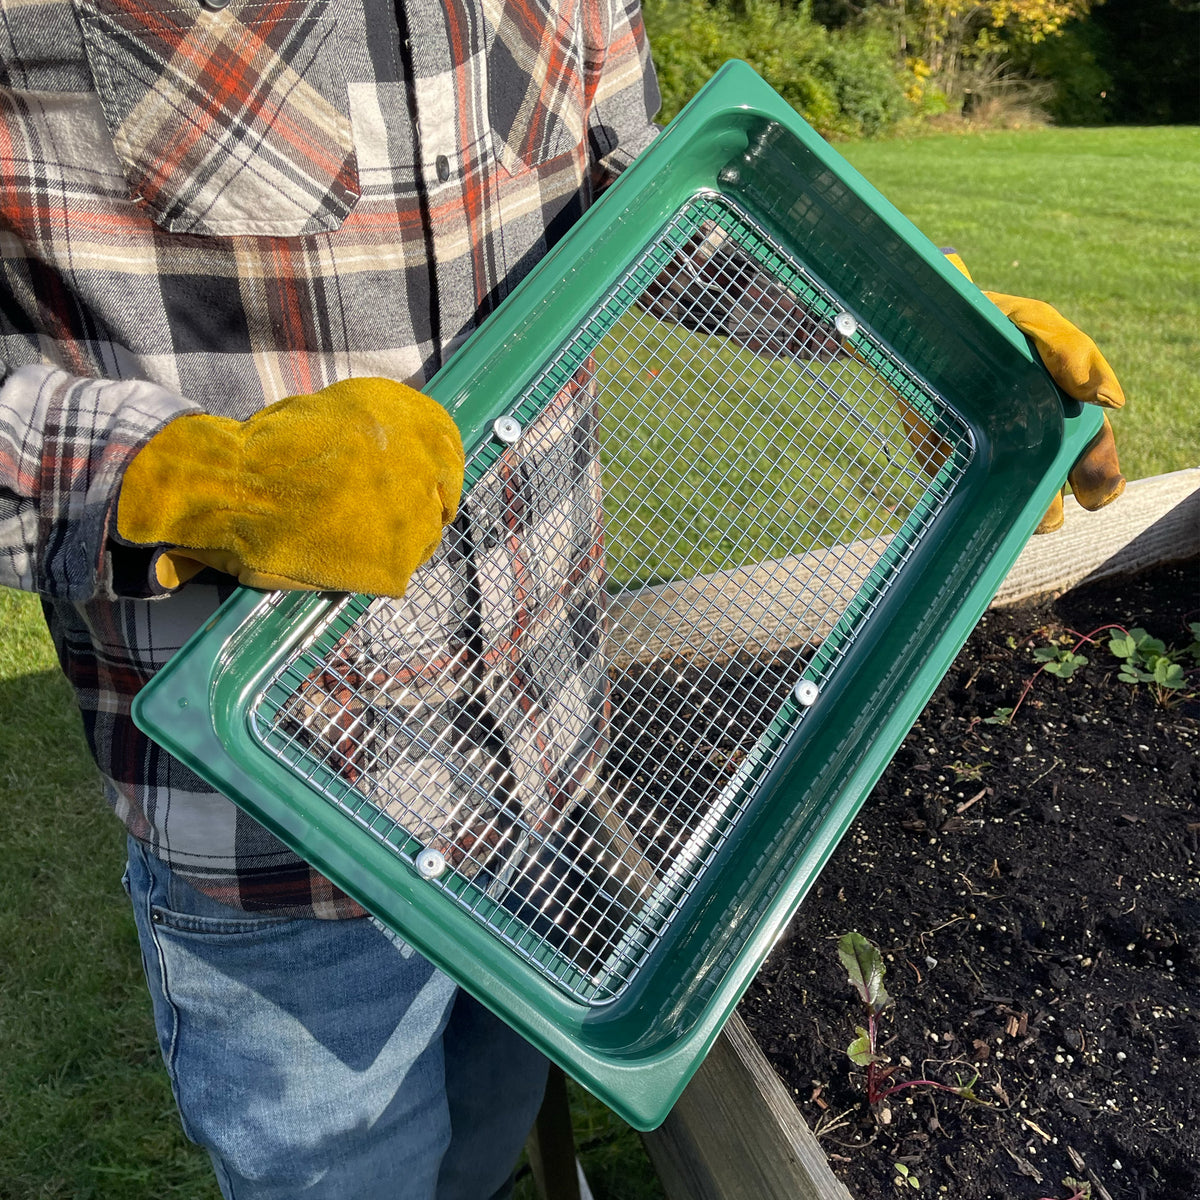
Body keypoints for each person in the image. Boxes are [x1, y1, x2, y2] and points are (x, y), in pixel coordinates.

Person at [0, 2, 1125, 1196]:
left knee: (488, 1153)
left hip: (548, 793)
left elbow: (669, 214)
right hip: (281, 846)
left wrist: (915, 317)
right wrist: (171, 476)